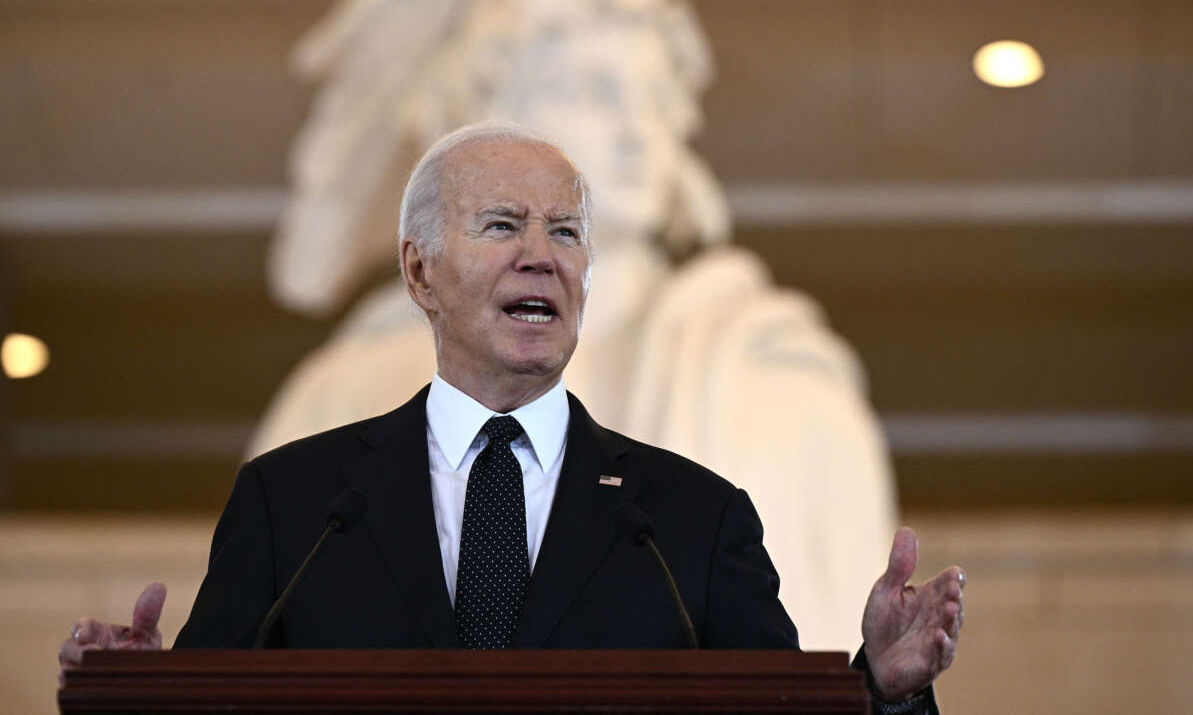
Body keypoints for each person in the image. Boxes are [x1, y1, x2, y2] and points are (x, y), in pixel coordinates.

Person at [59, 123, 965, 712]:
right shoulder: (293, 506)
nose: (542, 257)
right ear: (420, 274)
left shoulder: (692, 519)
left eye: (565, 234)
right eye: (502, 226)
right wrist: (136, 698)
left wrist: (883, 691)